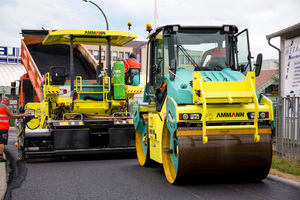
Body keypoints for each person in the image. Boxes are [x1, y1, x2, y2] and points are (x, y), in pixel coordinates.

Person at [0, 97, 28, 162]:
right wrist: (23, 115)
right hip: (3, 127)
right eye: (8, 102)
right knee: (1, 142)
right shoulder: (6, 107)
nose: (8, 104)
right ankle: (0, 156)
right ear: (6, 101)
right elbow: (13, 116)